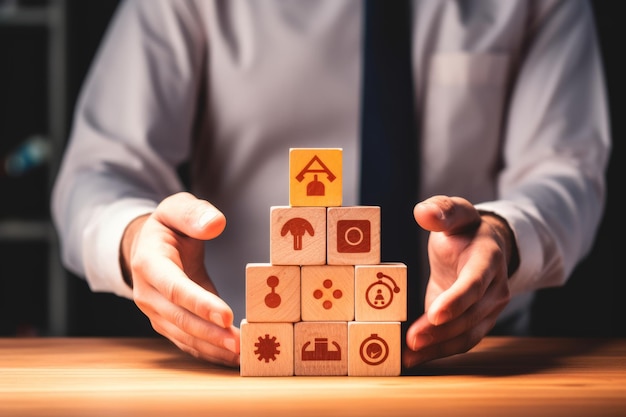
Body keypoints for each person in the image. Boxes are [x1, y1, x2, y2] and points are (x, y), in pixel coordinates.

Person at [51, 0, 610, 369]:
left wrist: (504, 235)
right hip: (250, 352)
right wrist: (133, 238)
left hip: (479, 359)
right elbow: (101, 167)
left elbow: (566, 168)